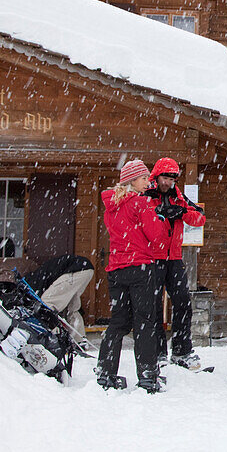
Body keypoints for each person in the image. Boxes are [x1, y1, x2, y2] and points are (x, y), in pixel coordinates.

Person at [96, 159, 168, 393]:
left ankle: (106, 372)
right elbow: (156, 235)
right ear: (133, 180)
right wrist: (160, 217)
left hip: (116, 269)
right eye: (144, 177)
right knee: (145, 322)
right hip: (140, 267)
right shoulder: (140, 203)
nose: (148, 181)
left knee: (118, 322)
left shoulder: (112, 205)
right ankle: (147, 375)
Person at [145, 157, 206, 370]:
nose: (168, 181)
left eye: (172, 177)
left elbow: (200, 217)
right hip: (152, 258)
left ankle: (181, 349)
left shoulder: (179, 198)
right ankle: (157, 350)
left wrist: (182, 212)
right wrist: (157, 215)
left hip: (174, 258)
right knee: (152, 306)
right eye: (165, 177)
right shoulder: (146, 195)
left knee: (182, 302)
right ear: (157, 176)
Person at [22, 253, 95, 342]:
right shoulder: (40, 274)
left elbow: (41, 303)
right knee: (71, 309)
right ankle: (79, 341)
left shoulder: (32, 283)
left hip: (76, 270)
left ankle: (52, 339)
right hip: (85, 269)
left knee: (46, 304)